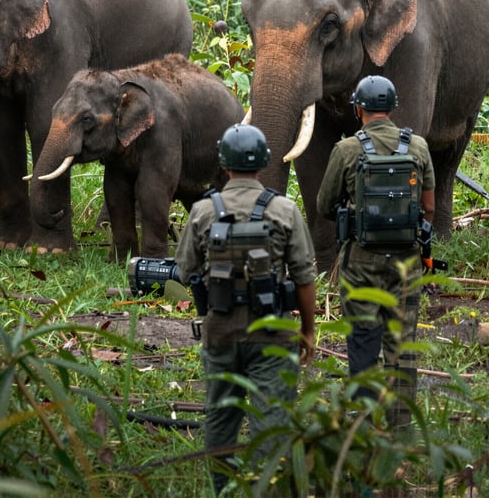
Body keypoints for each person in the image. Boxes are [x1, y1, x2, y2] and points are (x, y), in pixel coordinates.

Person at [175, 124, 316, 495]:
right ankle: (264, 488)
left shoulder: (204, 211)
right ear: (264, 162)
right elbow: (304, 276)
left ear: (223, 163)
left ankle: (223, 489)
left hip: (220, 331)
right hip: (272, 335)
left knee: (221, 419)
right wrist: (308, 330)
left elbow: (185, 270)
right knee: (271, 419)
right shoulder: (284, 210)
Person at [316, 75, 435, 431]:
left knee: (363, 344)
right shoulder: (418, 148)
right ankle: (400, 432)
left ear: (358, 108)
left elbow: (324, 205)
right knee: (402, 347)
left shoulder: (347, 150)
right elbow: (428, 207)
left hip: (360, 266)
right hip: (406, 266)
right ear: (392, 108)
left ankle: (363, 430)